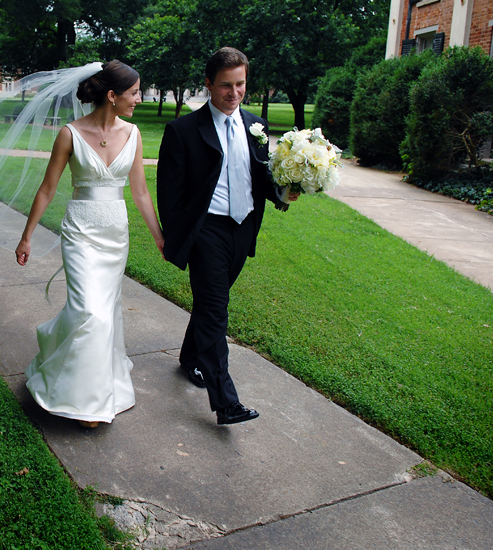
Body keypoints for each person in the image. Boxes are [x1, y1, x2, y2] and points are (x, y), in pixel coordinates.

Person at [15, 60, 165, 428]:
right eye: (134, 93)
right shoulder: (69, 134)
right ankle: (84, 401)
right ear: (112, 96)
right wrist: (27, 235)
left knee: (105, 311)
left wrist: (160, 237)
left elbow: (141, 192)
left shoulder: (133, 133)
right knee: (89, 312)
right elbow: (48, 188)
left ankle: (93, 386)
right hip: (81, 233)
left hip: (115, 235)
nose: (139, 99)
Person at [157, 47, 295, 425]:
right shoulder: (183, 131)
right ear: (208, 84)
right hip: (207, 232)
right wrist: (177, 237)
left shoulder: (257, 126)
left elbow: (262, 178)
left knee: (209, 303)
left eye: (240, 85)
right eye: (225, 86)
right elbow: (169, 194)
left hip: (244, 227)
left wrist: (286, 190)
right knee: (216, 311)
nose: (234, 93)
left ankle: (189, 359)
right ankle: (226, 402)